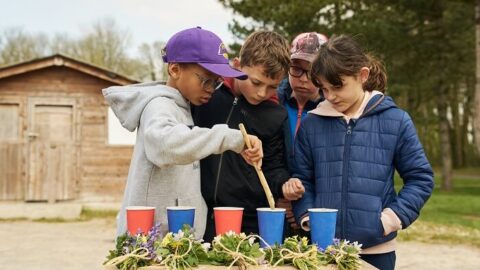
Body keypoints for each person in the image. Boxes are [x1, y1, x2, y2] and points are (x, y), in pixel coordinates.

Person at [103, 27, 263, 239]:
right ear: (175, 69)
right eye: (206, 80)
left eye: (216, 83)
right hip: (149, 243)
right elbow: (165, 146)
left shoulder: (183, 107)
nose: (210, 89)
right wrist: (232, 138)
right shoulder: (158, 106)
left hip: (172, 241)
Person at [292, 35, 434, 270]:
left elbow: (421, 179)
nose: (330, 96)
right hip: (321, 252)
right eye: (324, 89)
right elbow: (302, 178)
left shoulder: (396, 120)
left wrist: (388, 220)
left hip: (377, 252)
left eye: (337, 86)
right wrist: (308, 218)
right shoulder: (311, 123)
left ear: (363, 75)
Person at [193, 30, 304, 242]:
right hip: (201, 215)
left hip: (250, 220)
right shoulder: (207, 96)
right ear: (236, 65)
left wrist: (283, 185)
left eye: (273, 86)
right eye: (256, 82)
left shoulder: (275, 114)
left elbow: (274, 166)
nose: (262, 93)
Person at [276, 32, 328, 233]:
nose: (304, 79)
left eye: (312, 71)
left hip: (313, 211)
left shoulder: (334, 110)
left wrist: (299, 204)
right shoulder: (271, 103)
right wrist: (281, 192)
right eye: (296, 69)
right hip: (272, 205)